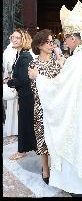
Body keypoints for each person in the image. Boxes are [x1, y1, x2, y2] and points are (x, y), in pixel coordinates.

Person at [28, 1, 82, 196]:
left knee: (77, 147)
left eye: (67, 38)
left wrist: (37, 77)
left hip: (80, 118)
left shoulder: (78, 59)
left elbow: (59, 88)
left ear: (74, 37)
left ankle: (79, 186)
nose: (65, 42)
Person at [29, 29, 62, 184]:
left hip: (56, 108)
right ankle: (45, 168)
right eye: (48, 42)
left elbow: (61, 87)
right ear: (39, 45)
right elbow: (35, 89)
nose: (51, 44)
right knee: (42, 138)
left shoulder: (57, 63)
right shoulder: (33, 63)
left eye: (52, 41)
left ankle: (56, 166)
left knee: (55, 138)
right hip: (41, 107)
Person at [6, 28, 37, 160]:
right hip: (25, 95)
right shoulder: (20, 55)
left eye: (17, 38)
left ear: (23, 40)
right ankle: (31, 148)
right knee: (27, 123)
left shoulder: (25, 56)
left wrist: (10, 82)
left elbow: (25, 79)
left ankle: (22, 150)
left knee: (25, 123)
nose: (14, 39)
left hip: (27, 96)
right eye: (13, 37)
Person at [3, 42, 18, 136]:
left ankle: (12, 129)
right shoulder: (9, 52)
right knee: (13, 104)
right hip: (12, 79)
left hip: (12, 78)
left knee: (12, 105)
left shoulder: (6, 52)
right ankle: (14, 129)